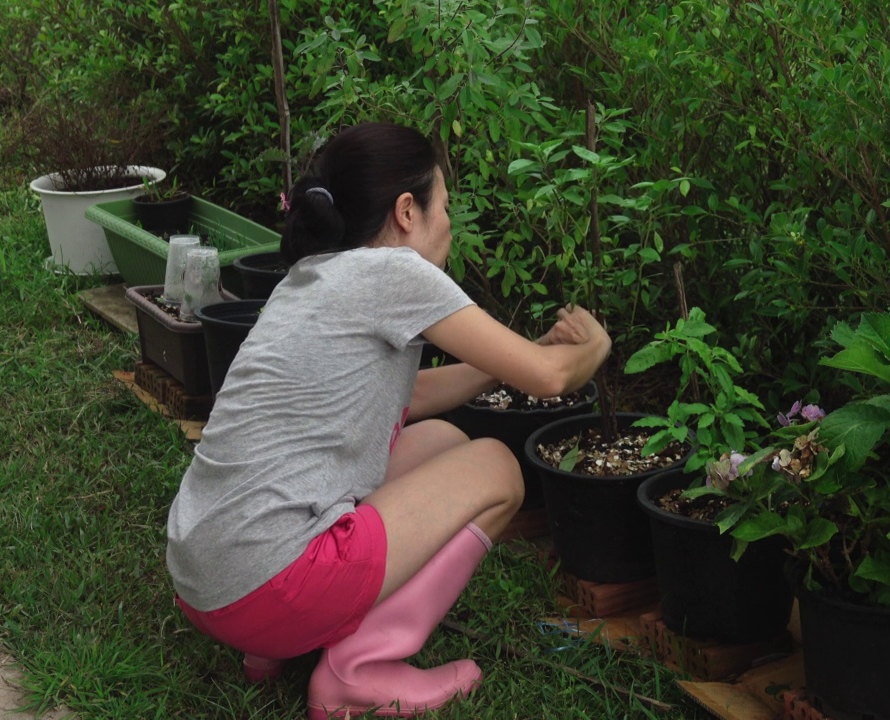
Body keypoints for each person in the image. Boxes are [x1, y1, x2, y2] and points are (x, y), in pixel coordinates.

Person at [166, 122, 611, 719]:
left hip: (205, 574)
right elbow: (553, 377)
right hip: (264, 589)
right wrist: (594, 347)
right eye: (445, 205)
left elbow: (409, 394)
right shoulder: (394, 273)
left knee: (444, 440)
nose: (449, 223)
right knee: (498, 469)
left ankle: (271, 650)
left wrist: (506, 360)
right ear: (407, 211)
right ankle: (357, 671)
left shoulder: (311, 276)